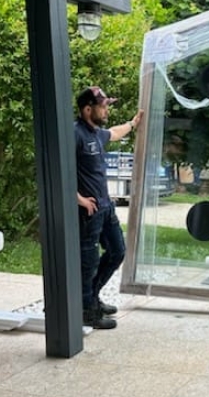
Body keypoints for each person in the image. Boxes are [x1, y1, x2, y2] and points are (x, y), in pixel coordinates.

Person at [75, 86, 143, 329]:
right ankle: (86, 312)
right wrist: (78, 199)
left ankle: (92, 298)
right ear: (87, 109)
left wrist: (132, 123)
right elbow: (59, 169)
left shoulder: (97, 133)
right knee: (88, 262)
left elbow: (114, 133)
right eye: (103, 106)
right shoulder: (76, 134)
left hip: (106, 207)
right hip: (88, 212)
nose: (106, 110)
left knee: (117, 251)